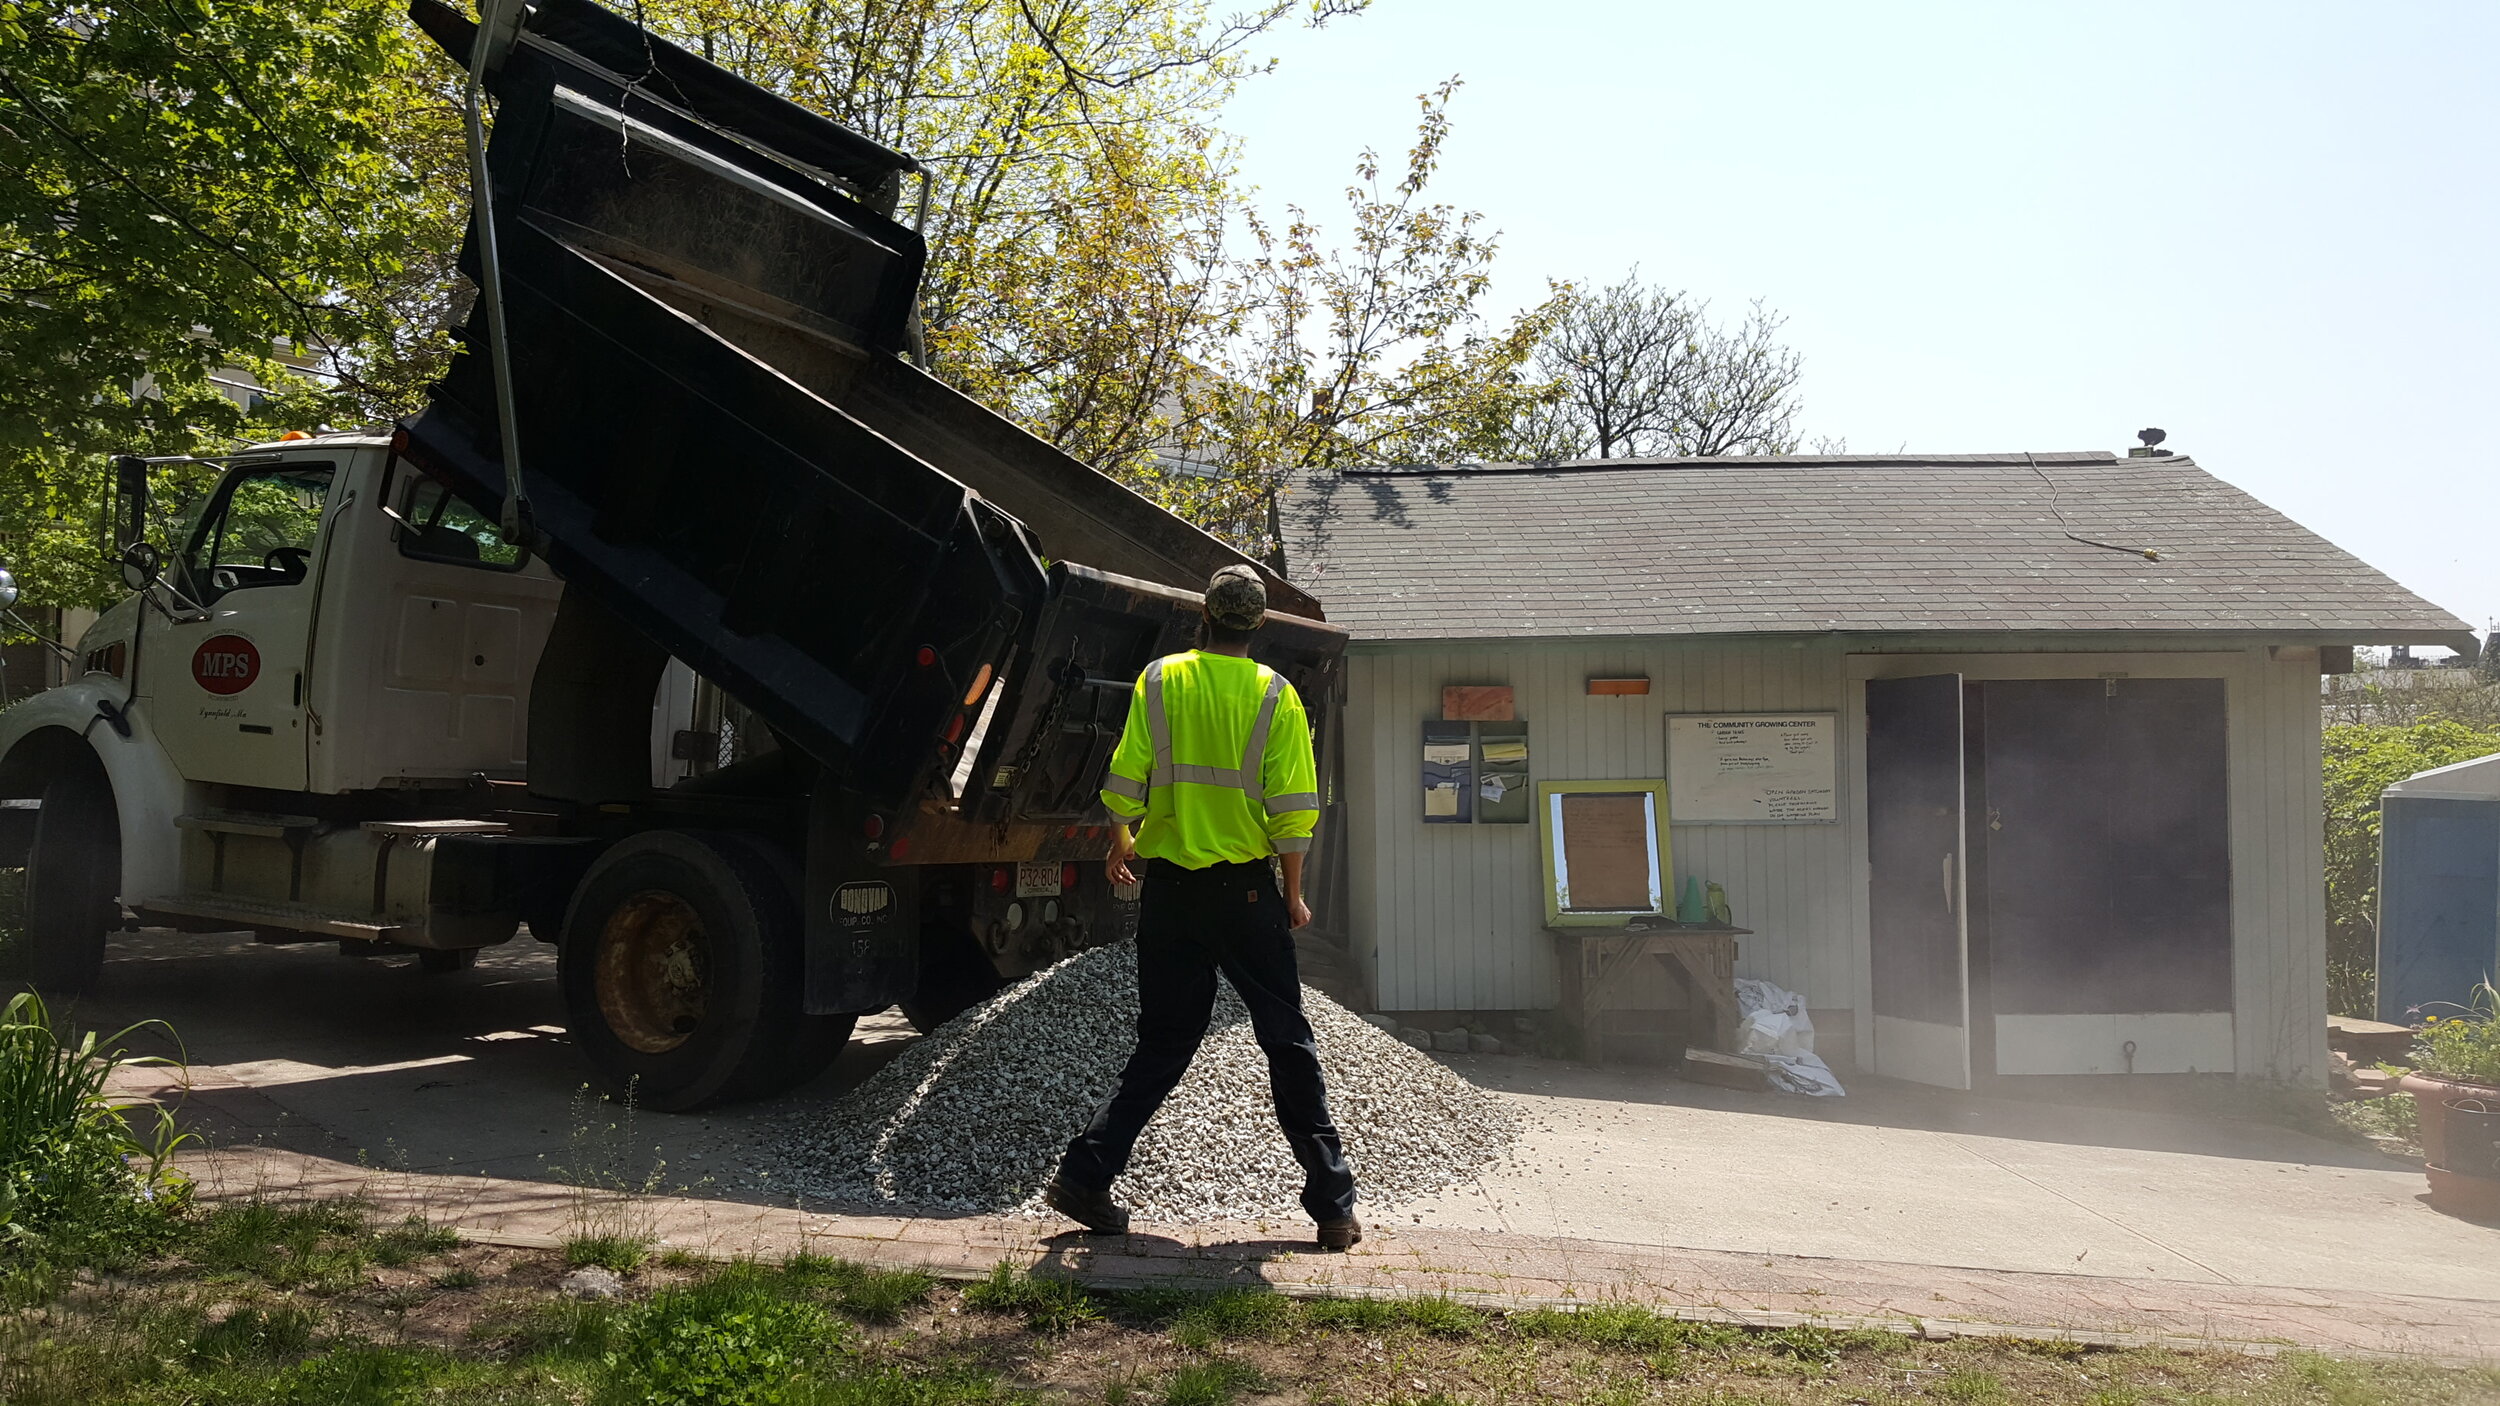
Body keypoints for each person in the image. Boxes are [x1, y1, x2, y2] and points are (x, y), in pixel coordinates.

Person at [1044, 564, 1362, 1250]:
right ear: (1258, 626)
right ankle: (1333, 1205)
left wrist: (1122, 841)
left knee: (1163, 1041)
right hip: (1247, 894)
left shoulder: (1160, 680)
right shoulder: (1275, 696)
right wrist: (1295, 895)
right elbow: (1295, 812)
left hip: (1171, 892)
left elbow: (1124, 783)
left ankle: (1087, 1174)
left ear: (1204, 617)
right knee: (1286, 1040)